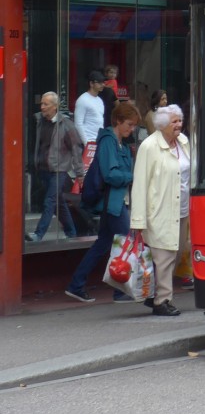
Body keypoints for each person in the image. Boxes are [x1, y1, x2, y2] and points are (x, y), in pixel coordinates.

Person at [65, 101, 140, 303]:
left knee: (103, 244)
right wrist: (131, 177)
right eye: (129, 124)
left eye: (133, 126)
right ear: (118, 121)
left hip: (113, 201)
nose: (131, 129)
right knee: (125, 243)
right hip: (113, 202)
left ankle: (76, 284)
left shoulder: (118, 143)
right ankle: (120, 290)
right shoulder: (108, 141)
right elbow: (111, 174)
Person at [130, 103, 190, 316]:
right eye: (174, 122)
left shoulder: (183, 142)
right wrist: (138, 220)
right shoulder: (149, 146)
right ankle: (162, 301)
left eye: (180, 120)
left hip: (182, 210)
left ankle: (155, 294)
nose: (179, 125)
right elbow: (140, 184)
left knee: (176, 252)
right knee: (163, 257)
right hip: (159, 211)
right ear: (162, 125)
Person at [27, 91, 85, 242]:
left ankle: (39, 234)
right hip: (44, 169)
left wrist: (80, 173)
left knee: (50, 201)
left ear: (55, 106)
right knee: (59, 203)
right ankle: (71, 232)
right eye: (42, 104)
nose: (42, 107)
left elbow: (76, 149)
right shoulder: (39, 121)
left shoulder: (66, 125)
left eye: (46, 104)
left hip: (59, 170)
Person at [74, 70, 107, 145]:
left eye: (103, 82)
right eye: (99, 82)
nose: (103, 85)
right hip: (87, 142)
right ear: (91, 83)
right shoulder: (82, 100)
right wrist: (86, 143)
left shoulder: (100, 100)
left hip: (98, 141)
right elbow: (78, 124)